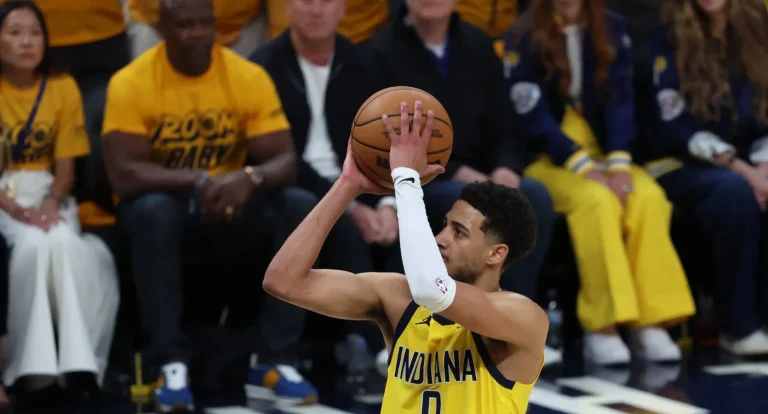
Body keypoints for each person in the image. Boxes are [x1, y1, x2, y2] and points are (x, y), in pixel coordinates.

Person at [264, 100, 547, 413]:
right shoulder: (398, 298)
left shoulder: (523, 318)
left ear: (496, 254)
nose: (440, 240)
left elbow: (432, 290)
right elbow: (283, 281)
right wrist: (347, 186)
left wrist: (405, 179)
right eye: (444, 227)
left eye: (459, 232)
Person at [102, 0, 317, 411]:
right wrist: (199, 181)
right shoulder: (132, 81)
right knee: (152, 211)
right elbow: (125, 173)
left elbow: (285, 159)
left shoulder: (245, 74)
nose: (198, 33)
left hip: (232, 199)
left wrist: (249, 178)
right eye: (186, 25)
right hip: (165, 204)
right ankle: (169, 361)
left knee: (298, 205)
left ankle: (275, 359)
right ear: (163, 27)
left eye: (205, 24)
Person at [504, 0, 695, 365]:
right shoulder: (521, 32)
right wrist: (581, 165)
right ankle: (601, 327)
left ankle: (651, 322)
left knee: (648, 196)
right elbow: (530, 113)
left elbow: (622, 101)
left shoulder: (614, 26)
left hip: (606, 155)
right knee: (596, 200)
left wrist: (620, 164)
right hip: (548, 159)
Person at [369, 0, 558, 364]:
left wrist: (506, 167)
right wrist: (455, 169)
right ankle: (415, 327)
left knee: (534, 196)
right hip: (422, 175)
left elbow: (506, 123)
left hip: (484, 175)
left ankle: (516, 325)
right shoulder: (381, 51)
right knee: (450, 201)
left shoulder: (479, 44)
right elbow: (383, 133)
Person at [250, 0, 404, 377]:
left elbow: (391, 141)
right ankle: (374, 341)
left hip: (365, 182)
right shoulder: (263, 66)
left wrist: (387, 202)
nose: (316, 9)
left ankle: (414, 335)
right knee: (328, 219)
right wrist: (350, 205)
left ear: (343, 9)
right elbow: (278, 157)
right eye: (305, 0)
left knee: (418, 216)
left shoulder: (366, 63)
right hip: (293, 186)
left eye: (327, 0)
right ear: (286, 7)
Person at [0, 0, 119, 396]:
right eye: (15, 32)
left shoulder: (63, 86)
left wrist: (51, 202)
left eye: (34, 33)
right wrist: (15, 208)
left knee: (66, 243)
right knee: (32, 246)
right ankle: (31, 367)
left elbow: (66, 165)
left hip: (49, 191)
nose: (26, 42)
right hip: (4, 196)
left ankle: (79, 362)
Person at [645, 0, 768, 355]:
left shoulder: (759, 29)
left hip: (749, 158)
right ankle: (738, 326)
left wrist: (763, 166)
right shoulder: (666, 38)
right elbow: (674, 124)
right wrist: (745, 170)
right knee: (732, 190)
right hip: (677, 160)